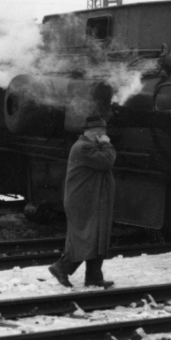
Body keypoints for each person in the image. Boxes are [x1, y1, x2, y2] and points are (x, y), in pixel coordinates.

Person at [49, 116, 117, 288]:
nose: (104, 136)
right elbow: (107, 161)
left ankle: (94, 277)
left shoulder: (88, 146)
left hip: (92, 200)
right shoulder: (84, 147)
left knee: (96, 237)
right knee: (85, 238)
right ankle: (61, 267)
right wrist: (107, 143)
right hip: (83, 202)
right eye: (102, 133)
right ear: (97, 133)